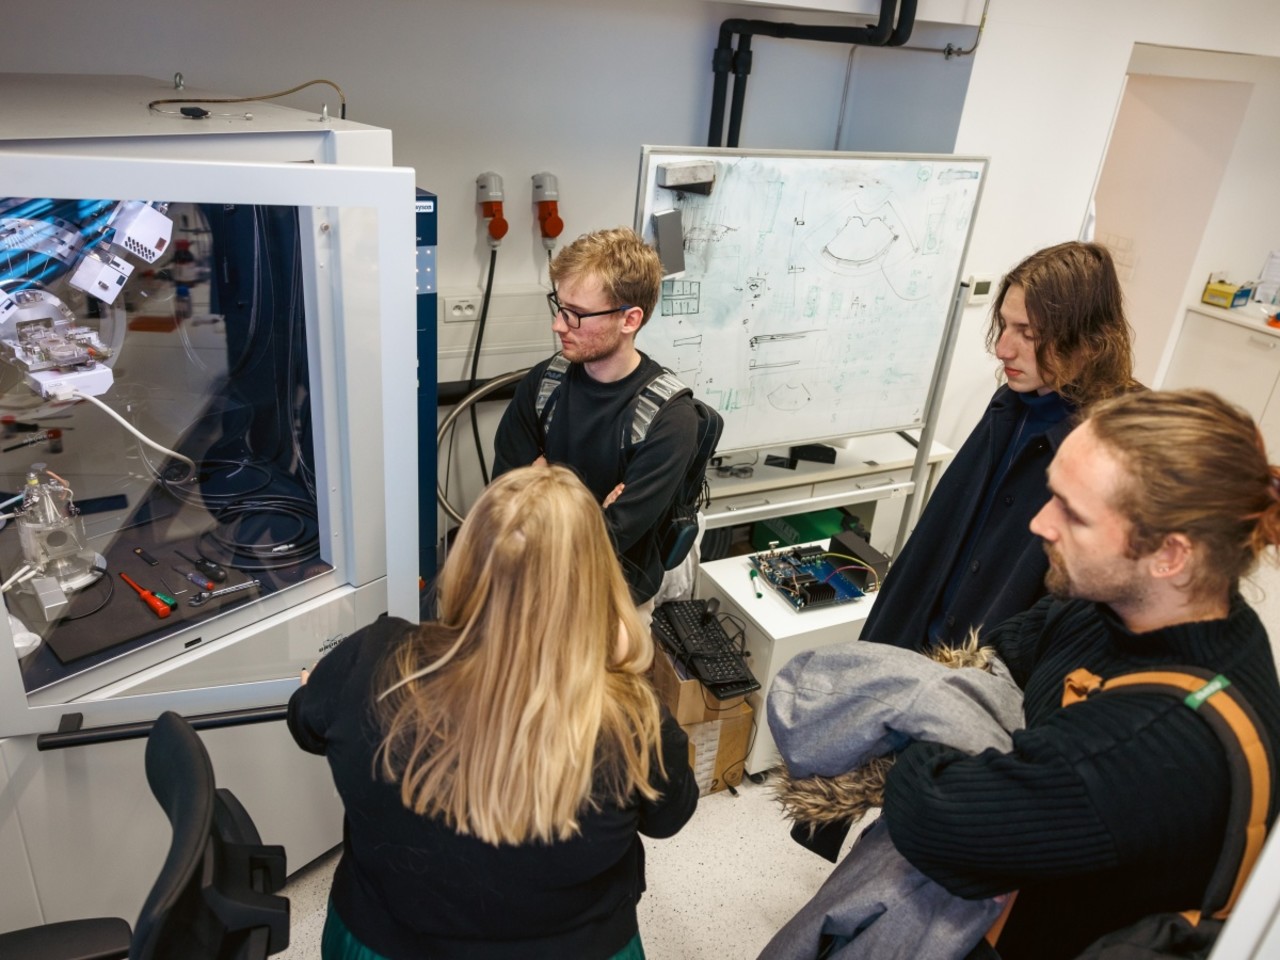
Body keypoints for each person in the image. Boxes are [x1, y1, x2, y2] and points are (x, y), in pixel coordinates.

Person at [879, 389, 1280, 960]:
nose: (1040, 522)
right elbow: (1010, 646)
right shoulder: (1121, 609)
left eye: (1074, 513)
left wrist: (923, 719)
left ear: (1170, 555)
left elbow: (933, 815)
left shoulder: (1142, 746)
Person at [288, 464, 698, 960]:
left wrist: (327, 684)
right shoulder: (633, 718)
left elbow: (305, 726)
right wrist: (610, 668)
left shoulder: (371, 660)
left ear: (466, 561)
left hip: (386, 942)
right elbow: (669, 817)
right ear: (594, 583)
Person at [860, 240, 1139, 651]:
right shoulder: (1011, 402)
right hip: (924, 648)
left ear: (1087, 340)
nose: (1002, 348)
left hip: (985, 668)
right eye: (1005, 325)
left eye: (1028, 334)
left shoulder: (1115, 442)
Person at [492, 227, 699, 606]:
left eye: (577, 315)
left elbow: (610, 540)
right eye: (560, 307)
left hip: (610, 599)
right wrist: (594, 511)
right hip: (530, 578)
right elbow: (502, 503)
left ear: (629, 320)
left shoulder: (670, 419)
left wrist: (541, 487)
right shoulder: (545, 383)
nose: (558, 325)